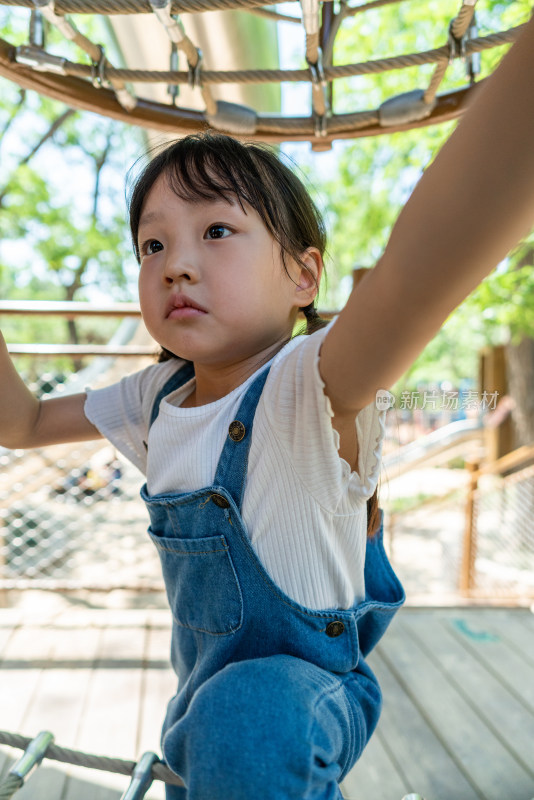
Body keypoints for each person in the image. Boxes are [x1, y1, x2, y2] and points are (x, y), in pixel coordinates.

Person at [2, 15, 534, 798]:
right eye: (153, 245)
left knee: (247, 714)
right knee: (226, 722)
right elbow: (18, 424)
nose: (176, 263)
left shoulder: (311, 384)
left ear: (303, 278)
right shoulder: (155, 398)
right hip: (204, 711)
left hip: (305, 698)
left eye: (217, 230)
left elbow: (419, 270)